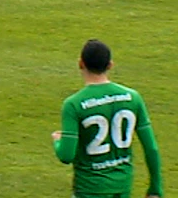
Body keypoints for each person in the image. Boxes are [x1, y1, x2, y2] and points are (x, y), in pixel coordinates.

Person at [52, 39, 163, 198]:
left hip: (89, 188)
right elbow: (151, 148)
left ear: (81, 63)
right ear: (110, 65)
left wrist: (57, 141)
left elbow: (66, 155)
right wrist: (155, 188)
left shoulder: (74, 104)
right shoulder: (133, 97)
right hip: (122, 186)